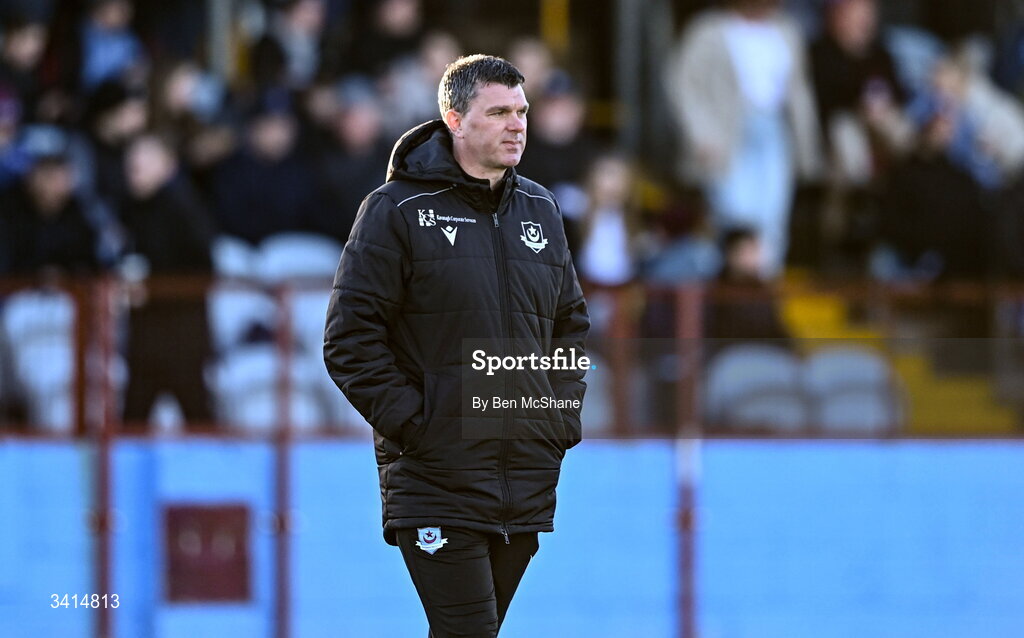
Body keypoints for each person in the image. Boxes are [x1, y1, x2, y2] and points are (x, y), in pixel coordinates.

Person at [323, 54, 589, 637]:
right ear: (455, 119)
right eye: (498, 112)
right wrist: (421, 426)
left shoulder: (542, 209)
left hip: (524, 475)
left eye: (522, 111)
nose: (517, 124)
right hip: (436, 478)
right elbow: (348, 339)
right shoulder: (395, 210)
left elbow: (570, 326)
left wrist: (556, 418)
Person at [664, 0, 822, 275]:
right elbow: (682, 84)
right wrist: (700, 133)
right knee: (733, 216)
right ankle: (728, 294)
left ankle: (762, 299)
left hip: (774, 129)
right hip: (727, 133)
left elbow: (799, 89)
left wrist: (806, 145)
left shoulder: (787, 30)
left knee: (772, 219)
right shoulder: (709, 30)